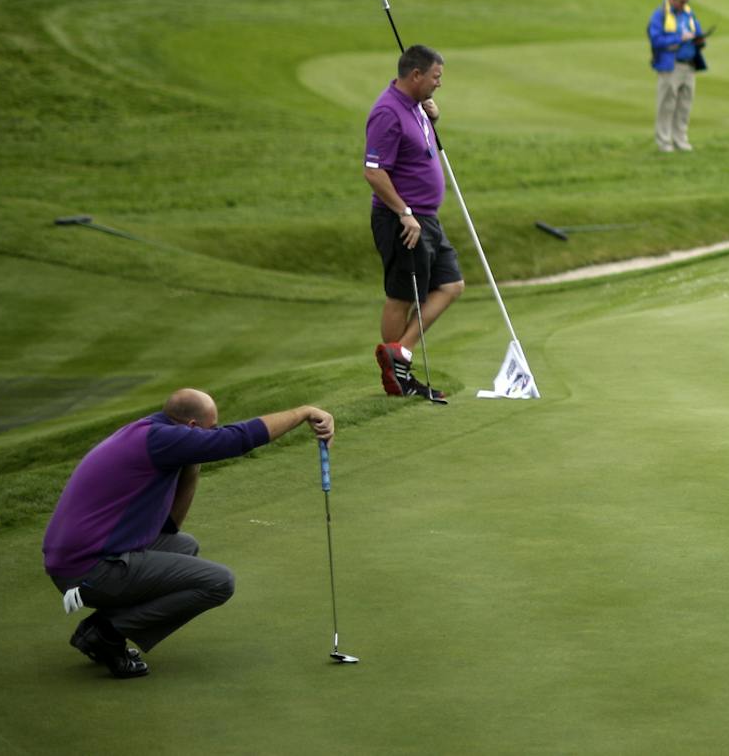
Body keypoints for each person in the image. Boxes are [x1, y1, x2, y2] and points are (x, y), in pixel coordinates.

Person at [42, 389, 337, 678]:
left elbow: (169, 528)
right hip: (87, 570)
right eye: (211, 429)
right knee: (219, 582)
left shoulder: (152, 434)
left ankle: (99, 628)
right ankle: (107, 634)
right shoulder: (163, 440)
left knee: (183, 546)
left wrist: (193, 463)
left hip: (88, 556)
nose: (214, 433)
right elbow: (238, 439)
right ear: (192, 427)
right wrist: (303, 413)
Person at [362, 44, 461, 402]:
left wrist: (432, 119)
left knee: (451, 285)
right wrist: (404, 212)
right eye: (435, 77)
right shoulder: (387, 112)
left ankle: (398, 354)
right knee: (402, 297)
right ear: (416, 74)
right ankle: (396, 376)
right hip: (402, 220)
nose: (439, 84)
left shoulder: (415, 107)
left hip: (426, 219)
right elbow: (374, 171)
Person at [648, 0, 706, 154]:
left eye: (686, 1)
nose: (683, 4)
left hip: (689, 64)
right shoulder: (660, 15)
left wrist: (699, 40)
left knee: (684, 105)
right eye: (681, 1)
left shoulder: (689, 14)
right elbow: (656, 40)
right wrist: (679, 38)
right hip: (671, 65)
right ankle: (664, 142)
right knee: (667, 104)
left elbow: (697, 31)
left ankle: (680, 139)